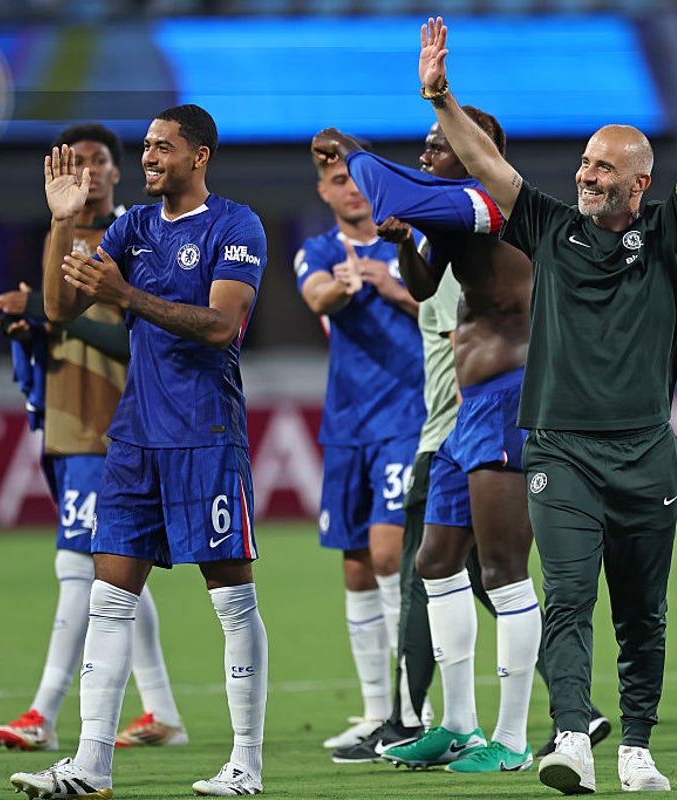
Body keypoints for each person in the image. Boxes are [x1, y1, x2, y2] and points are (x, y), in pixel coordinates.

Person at [416, 16, 677, 794]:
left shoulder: (667, 233)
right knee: (565, 596)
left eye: (603, 168)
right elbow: (486, 163)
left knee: (642, 613)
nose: (586, 175)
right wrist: (441, 97)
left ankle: (637, 747)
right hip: (559, 449)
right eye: (585, 162)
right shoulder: (547, 226)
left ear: (638, 185)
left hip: (645, 451)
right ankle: (569, 738)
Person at [314, 120, 609, 769]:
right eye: (424, 145)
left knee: (503, 571)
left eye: (437, 145)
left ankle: (511, 741)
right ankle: (456, 726)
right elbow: (423, 287)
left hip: (509, 400)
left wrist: (354, 153)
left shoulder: (494, 201)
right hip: (465, 411)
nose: (425, 154)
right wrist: (404, 245)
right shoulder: (453, 216)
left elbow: (392, 188)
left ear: (479, 153)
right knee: (436, 560)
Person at [10, 104, 269, 798]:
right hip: (133, 438)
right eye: (147, 146)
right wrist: (63, 223)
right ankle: (90, 766)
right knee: (109, 600)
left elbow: (220, 325)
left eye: (162, 147)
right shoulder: (133, 227)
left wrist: (126, 294)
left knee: (232, 600)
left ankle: (245, 765)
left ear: (199, 156)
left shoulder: (235, 225)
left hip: (204, 434)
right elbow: (59, 309)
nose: (149, 156)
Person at [0, 123, 186, 754]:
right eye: (76, 161)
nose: (88, 170)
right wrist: (29, 329)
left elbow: (143, 336)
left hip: (115, 426)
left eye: (98, 160)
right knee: (117, 569)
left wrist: (46, 314)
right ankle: (162, 712)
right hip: (68, 418)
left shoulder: (137, 238)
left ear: (117, 172)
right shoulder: (64, 238)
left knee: (78, 565)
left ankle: (42, 714)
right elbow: (58, 324)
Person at [293, 131, 426, 753]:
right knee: (355, 566)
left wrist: (392, 287)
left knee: (389, 556)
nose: (349, 190)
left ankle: (412, 709)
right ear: (323, 192)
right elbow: (314, 295)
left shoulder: (413, 243)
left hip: (407, 416)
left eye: (356, 178)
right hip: (347, 426)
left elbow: (449, 313)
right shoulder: (318, 251)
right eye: (337, 181)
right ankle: (376, 712)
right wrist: (343, 287)